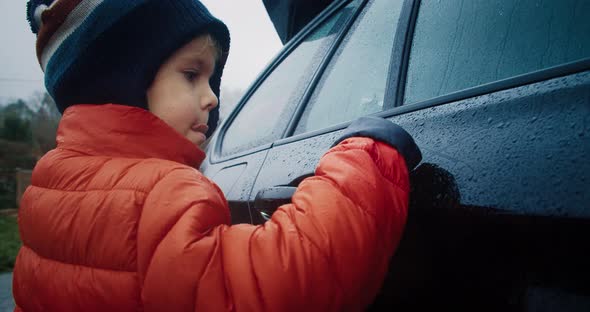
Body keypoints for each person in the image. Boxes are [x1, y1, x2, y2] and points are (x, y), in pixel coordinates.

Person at [13, 0, 422, 311]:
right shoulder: (157, 195)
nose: (212, 98)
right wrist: (367, 157)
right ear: (121, 82)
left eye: (212, 79)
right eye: (192, 75)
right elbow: (290, 279)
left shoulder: (46, 186)